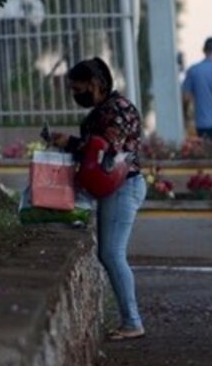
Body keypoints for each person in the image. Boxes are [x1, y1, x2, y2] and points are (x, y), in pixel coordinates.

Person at [50, 57, 147, 341]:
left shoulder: (115, 111)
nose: (75, 95)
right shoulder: (111, 107)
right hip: (117, 187)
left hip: (122, 187)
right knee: (111, 253)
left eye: (78, 88)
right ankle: (131, 320)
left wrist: (69, 143)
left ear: (95, 84)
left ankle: (132, 321)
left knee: (112, 253)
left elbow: (105, 153)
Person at [182, 37, 212, 140]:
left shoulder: (194, 70)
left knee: (206, 153)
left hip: (202, 122)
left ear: (203, 49)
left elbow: (185, 97)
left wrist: (186, 118)